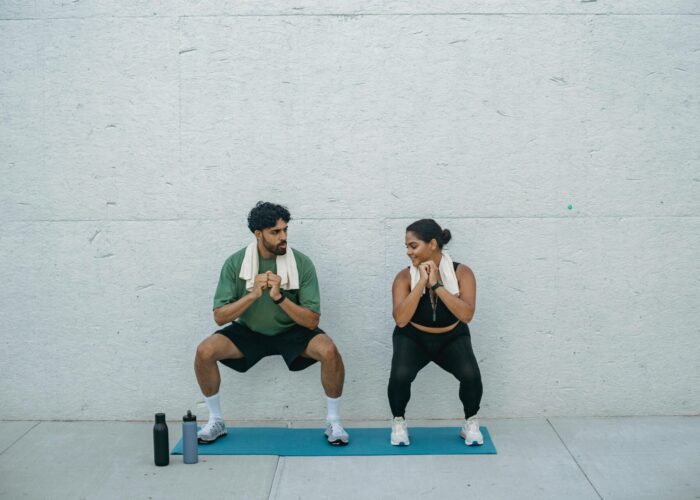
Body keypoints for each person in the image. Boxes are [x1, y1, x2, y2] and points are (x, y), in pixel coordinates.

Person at [194, 201, 349, 445]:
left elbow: (311, 321)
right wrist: (253, 294)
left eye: (285, 230)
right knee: (205, 351)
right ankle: (216, 420)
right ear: (258, 234)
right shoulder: (235, 263)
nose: (283, 237)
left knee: (329, 351)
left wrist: (279, 297)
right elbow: (220, 316)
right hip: (250, 331)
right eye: (275, 232)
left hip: (292, 331)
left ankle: (334, 422)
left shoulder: (301, 263)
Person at [388, 219, 484, 446]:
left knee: (471, 376)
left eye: (413, 246)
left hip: (452, 336)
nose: (408, 252)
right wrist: (421, 282)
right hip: (413, 337)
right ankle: (399, 422)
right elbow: (401, 320)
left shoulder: (463, 273)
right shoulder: (404, 277)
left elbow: (467, 315)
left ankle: (470, 422)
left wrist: (437, 285)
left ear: (432, 244)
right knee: (400, 377)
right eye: (407, 247)